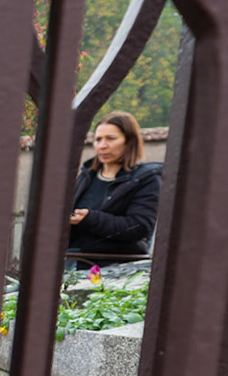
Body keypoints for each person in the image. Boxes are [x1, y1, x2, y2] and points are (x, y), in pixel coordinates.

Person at [69, 111, 162, 266]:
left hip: (118, 270)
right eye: (98, 139)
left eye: (110, 139)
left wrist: (90, 218)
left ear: (129, 141)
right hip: (72, 264)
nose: (102, 145)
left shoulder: (146, 179)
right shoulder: (87, 176)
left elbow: (139, 226)